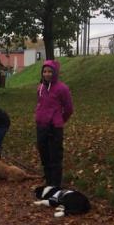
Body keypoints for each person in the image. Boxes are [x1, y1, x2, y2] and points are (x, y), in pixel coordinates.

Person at [35, 60, 73, 188]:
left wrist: (59, 120)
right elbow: (40, 104)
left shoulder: (62, 88)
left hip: (54, 127)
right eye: (45, 71)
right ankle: (48, 182)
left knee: (55, 157)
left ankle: (55, 186)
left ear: (55, 73)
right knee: (44, 155)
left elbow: (69, 109)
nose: (47, 74)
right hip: (41, 126)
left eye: (50, 71)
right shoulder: (40, 88)